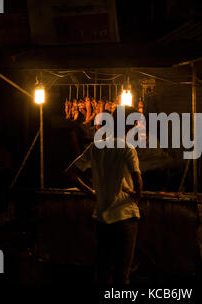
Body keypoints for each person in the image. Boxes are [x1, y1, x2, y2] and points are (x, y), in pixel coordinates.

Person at [64, 106, 143, 284]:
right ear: (130, 125)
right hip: (124, 216)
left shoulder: (96, 146)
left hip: (102, 217)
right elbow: (138, 182)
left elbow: (70, 173)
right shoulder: (128, 148)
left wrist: (91, 193)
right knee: (122, 274)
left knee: (102, 270)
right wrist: (136, 195)